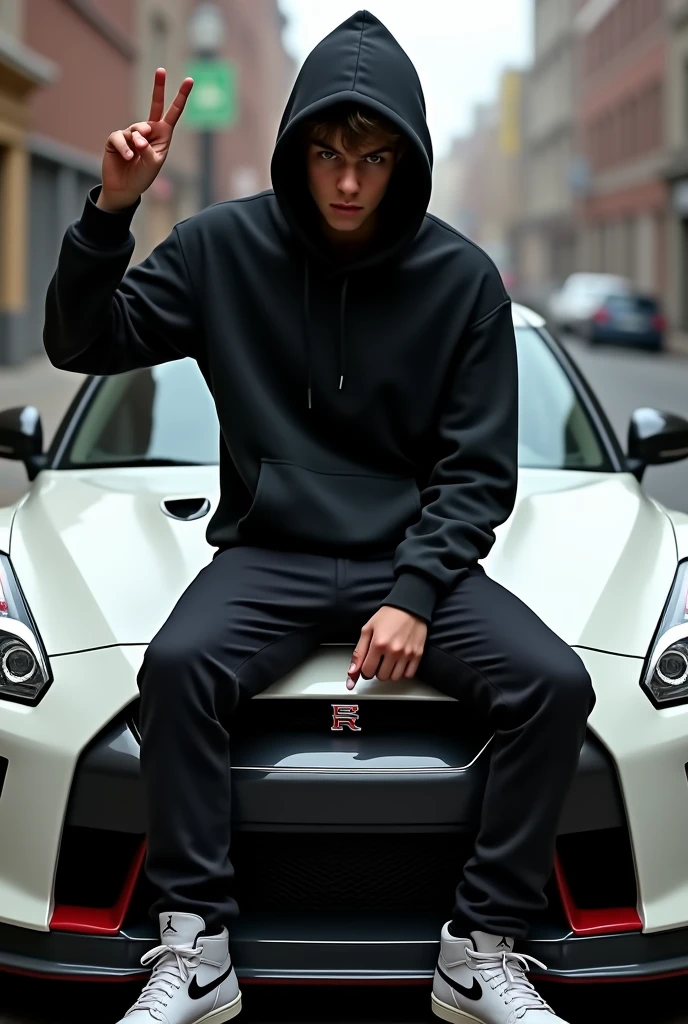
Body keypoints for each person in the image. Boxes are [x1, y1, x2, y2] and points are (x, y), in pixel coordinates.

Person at [43, 10, 595, 1024]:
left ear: (406, 160)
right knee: (176, 666)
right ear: (296, 146)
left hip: (409, 553)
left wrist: (417, 590)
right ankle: (197, 948)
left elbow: (475, 472)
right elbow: (86, 344)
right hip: (271, 556)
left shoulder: (462, 279)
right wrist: (110, 215)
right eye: (329, 154)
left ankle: (479, 950)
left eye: (374, 158)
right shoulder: (219, 249)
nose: (348, 182)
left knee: (553, 683)